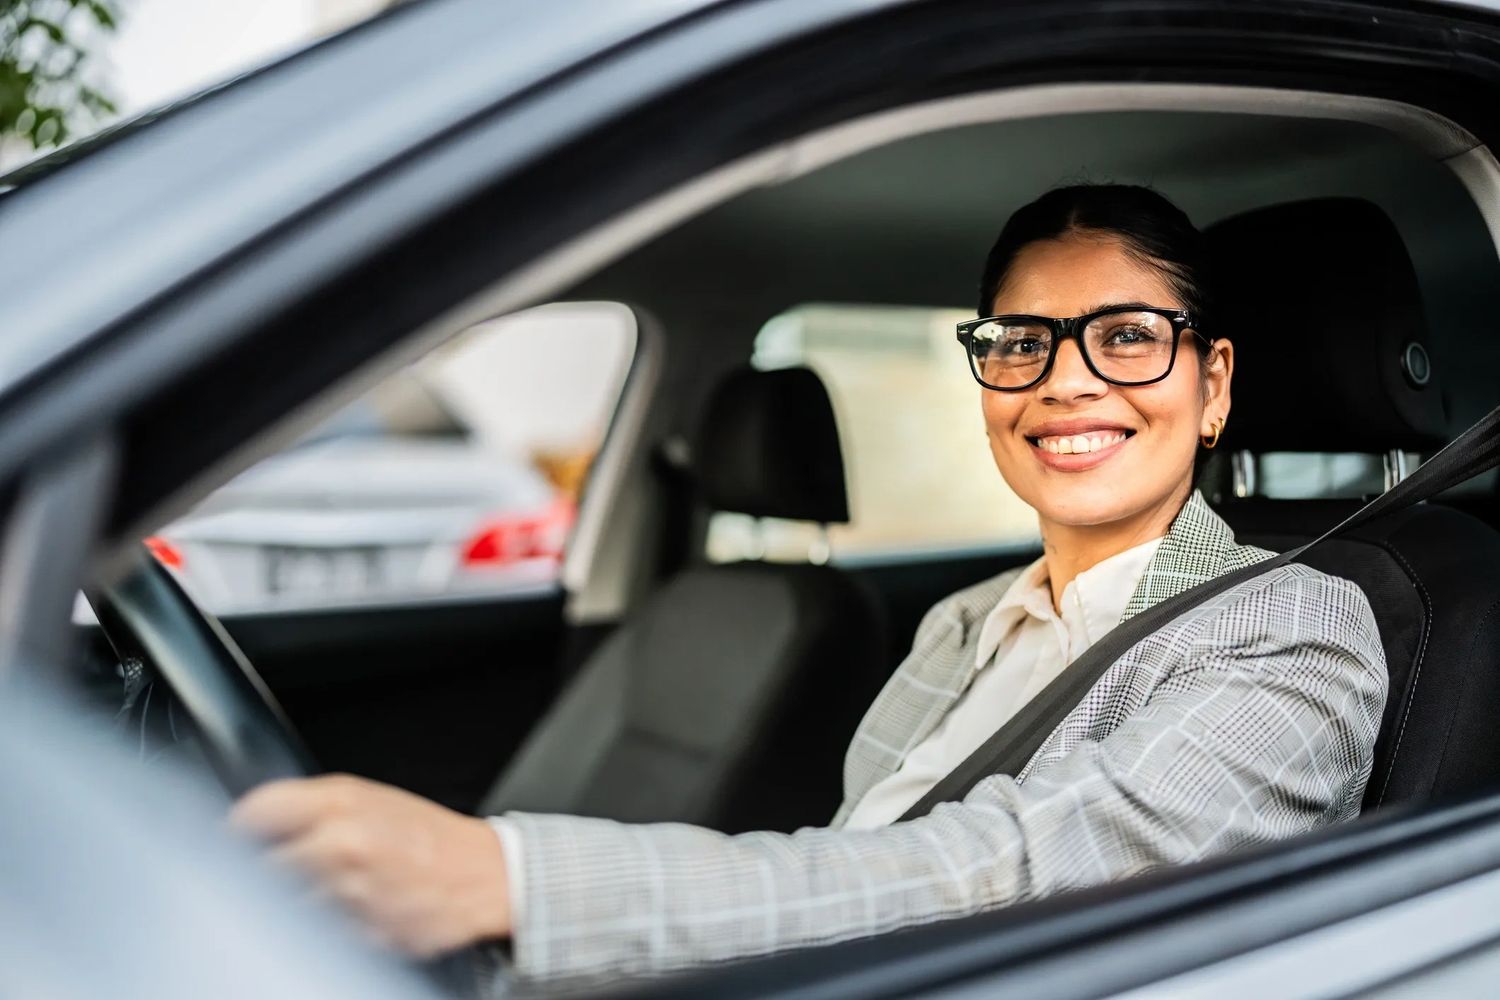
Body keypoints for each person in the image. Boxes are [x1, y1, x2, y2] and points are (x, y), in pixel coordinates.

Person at [231, 184, 1388, 988]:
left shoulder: (1292, 626)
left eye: (1129, 337)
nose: (1066, 385)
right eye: (1021, 342)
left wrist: (514, 881)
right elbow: (860, 843)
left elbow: (1005, 879)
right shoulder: (963, 621)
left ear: (1215, 380)